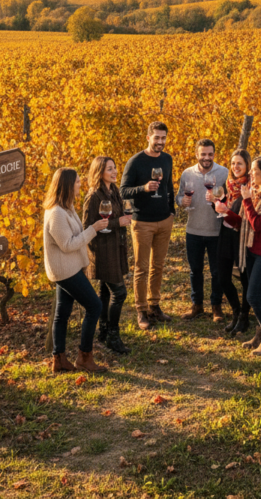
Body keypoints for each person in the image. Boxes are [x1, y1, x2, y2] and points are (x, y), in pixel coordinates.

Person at [43, 167, 110, 373]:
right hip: (65, 271)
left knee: (62, 313)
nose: (81, 184)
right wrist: (93, 230)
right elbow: (67, 245)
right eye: (78, 182)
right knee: (95, 306)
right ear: (67, 186)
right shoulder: (56, 213)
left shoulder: (67, 208)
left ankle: (59, 359)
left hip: (69, 268)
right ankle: (84, 357)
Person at [215, 156, 261, 355]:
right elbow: (242, 223)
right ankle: (260, 335)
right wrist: (226, 211)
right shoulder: (256, 193)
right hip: (253, 250)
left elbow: (257, 224)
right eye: (251, 170)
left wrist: (246, 200)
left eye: (254, 171)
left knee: (252, 296)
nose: (251, 174)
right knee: (260, 294)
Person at [120, 121, 175, 330]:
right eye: (157, 138)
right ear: (148, 138)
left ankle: (154, 306)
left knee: (158, 267)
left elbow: (169, 185)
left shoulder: (167, 159)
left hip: (164, 220)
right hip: (142, 221)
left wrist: (171, 211)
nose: (160, 142)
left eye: (163, 138)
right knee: (141, 268)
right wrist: (143, 188)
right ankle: (141, 310)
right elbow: (123, 191)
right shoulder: (135, 162)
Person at [82, 156, 133, 355]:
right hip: (103, 251)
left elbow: (119, 216)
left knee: (105, 291)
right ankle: (113, 335)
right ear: (99, 172)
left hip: (116, 247)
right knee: (120, 293)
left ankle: (103, 332)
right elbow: (88, 226)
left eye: (114, 167)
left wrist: (123, 220)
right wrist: (117, 223)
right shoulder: (94, 195)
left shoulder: (114, 190)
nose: (114, 171)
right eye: (109, 169)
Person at [177, 139, 228, 322]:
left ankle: (216, 307)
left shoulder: (223, 173)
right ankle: (197, 305)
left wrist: (219, 201)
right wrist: (182, 201)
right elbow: (179, 196)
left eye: (210, 154)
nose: (207, 158)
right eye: (203, 154)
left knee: (216, 272)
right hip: (193, 231)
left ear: (214, 154)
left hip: (216, 231)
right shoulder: (187, 173)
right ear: (197, 154)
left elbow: (229, 200)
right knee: (195, 270)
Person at [215, 148, 252, 336]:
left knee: (245, 280)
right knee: (223, 277)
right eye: (233, 163)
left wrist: (224, 211)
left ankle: (244, 317)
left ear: (247, 166)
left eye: (240, 163)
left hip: (242, 238)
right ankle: (236, 312)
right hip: (225, 235)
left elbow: (243, 221)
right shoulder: (227, 185)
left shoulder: (250, 188)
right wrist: (214, 204)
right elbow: (219, 210)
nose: (235, 167)